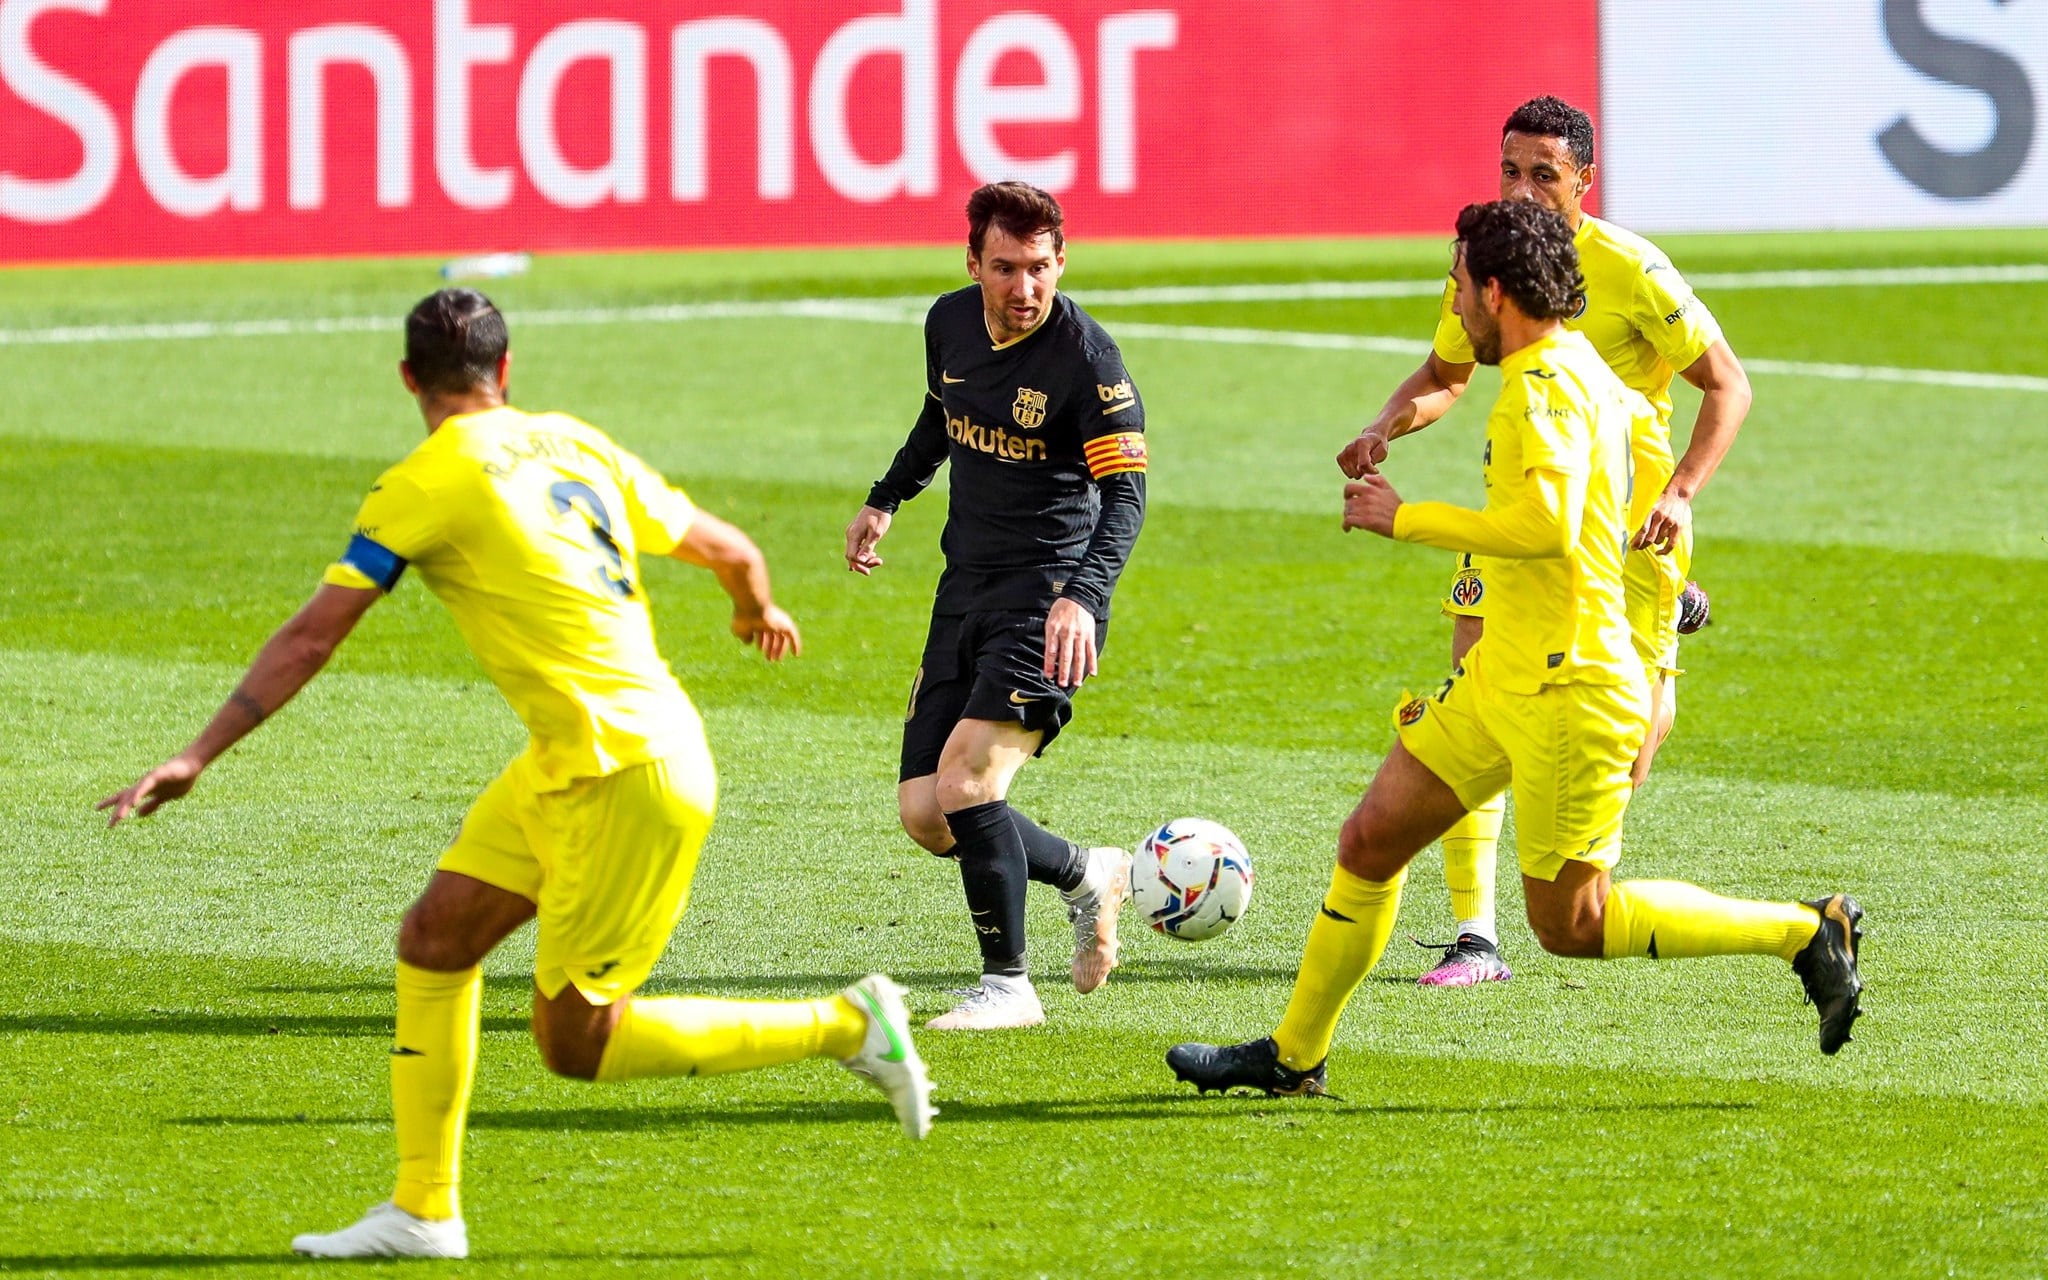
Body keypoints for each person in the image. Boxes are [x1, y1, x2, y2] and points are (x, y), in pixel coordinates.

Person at [100, 289, 935, 1261]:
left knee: (574, 1041)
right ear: (506, 372)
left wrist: (197, 752)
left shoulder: (422, 479)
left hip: (623, 770)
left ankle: (843, 1023)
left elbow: (315, 632)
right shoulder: (572, 442)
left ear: (409, 380)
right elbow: (733, 550)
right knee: (437, 935)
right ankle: (424, 1208)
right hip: (578, 754)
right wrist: (754, 611)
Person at [1166, 201, 1862, 1099]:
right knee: (1372, 838)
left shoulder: (1544, 388)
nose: (1453, 308)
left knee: (1572, 923)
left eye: (1458, 289)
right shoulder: (1571, 365)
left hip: (1572, 689)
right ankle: (1294, 1055)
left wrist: (1401, 518)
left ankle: (1805, 933)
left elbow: (1551, 523)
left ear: (1496, 292)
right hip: (1510, 672)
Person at [1338, 97, 1753, 986]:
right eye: (1510, 171)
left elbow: (1728, 386)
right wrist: (1386, 424)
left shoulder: (1631, 268)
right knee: (1474, 683)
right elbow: (1449, 373)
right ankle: (1475, 934)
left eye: (1543, 175)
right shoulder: (1493, 261)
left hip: (1622, 541)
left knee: (1630, 752)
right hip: (1520, 514)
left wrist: (1681, 493)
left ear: (1584, 182)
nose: (1522, 190)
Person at [844, 181, 1148, 1031]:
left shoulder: (1087, 361)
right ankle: (1089, 872)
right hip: (963, 588)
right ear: (972, 261)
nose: (1025, 289)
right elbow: (944, 416)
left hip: (1046, 598)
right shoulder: (947, 323)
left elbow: (1126, 495)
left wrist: (1083, 599)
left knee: (969, 778)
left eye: (1041, 268)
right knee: (928, 813)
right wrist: (886, 497)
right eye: (1006, 268)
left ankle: (1008, 987)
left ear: (1062, 263)